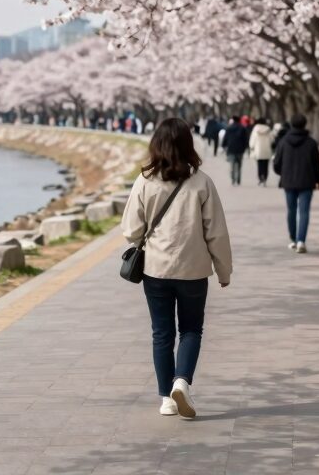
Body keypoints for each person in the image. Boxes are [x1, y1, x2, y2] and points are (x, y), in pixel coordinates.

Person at [121, 117, 232, 420]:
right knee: (191, 329)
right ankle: (181, 381)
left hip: (155, 270)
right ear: (188, 144)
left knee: (161, 333)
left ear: (156, 144)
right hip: (194, 269)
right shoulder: (202, 182)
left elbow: (131, 230)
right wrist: (224, 271)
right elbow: (216, 232)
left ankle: (165, 399)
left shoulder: (145, 180)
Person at [272, 114, 319, 254]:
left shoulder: (283, 142)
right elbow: (317, 164)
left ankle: (293, 240)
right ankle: (301, 241)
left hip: (288, 182)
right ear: (305, 124)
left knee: (291, 210)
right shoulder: (311, 143)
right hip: (307, 181)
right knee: (304, 211)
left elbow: (276, 163)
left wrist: (283, 173)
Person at [222, 115, 251, 185]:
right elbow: (245, 139)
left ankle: (233, 179)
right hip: (240, 150)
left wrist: (224, 145)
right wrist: (246, 147)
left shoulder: (228, 128)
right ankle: (238, 179)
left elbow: (225, 138)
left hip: (231, 149)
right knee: (239, 165)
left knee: (232, 165)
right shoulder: (243, 128)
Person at [248, 118, 273, 186]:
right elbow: (272, 139)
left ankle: (260, 178)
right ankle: (265, 177)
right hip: (267, 149)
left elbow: (253, 138)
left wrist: (251, 146)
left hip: (258, 150)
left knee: (259, 165)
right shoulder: (268, 129)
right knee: (266, 165)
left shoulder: (255, 129)